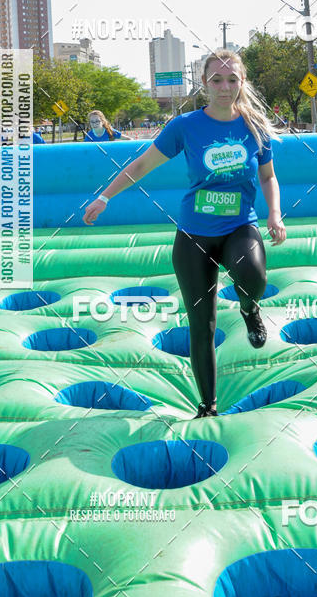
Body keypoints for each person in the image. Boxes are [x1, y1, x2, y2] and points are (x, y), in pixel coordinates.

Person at [82, 49, 287, 419]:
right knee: (201, 325)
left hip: (240, 227)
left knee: (253, 276)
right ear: (204, 83)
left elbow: (268, 177)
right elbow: (143, 163)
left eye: (232, 79)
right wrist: (104, 196)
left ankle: (249, 309)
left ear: (242, 83)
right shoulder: (186, 126)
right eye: (216, 80)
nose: (224, 87)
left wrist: (274, 213)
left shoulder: (254, 126)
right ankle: (207, 405)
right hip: (194, 236)